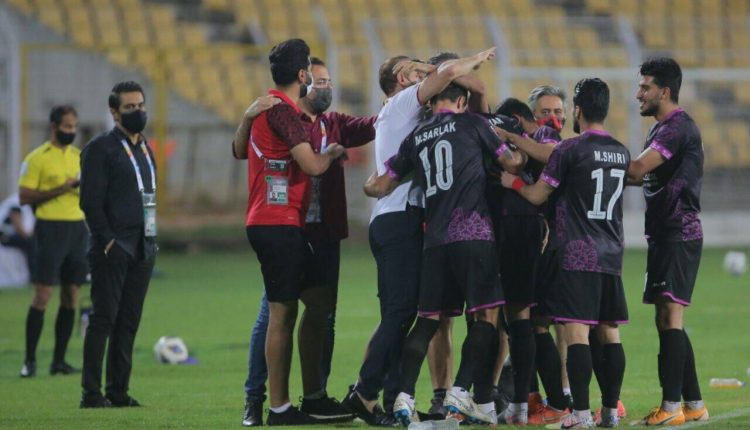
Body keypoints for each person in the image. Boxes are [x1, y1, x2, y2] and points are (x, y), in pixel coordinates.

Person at [341, 47, 497, 427]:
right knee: (400, 314)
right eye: (412, 71)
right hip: (399, 219)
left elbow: (470, 90)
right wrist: (466, 60)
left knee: (406, 314)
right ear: (400, 80)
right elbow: (448, 76)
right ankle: (364, 393)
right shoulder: (400, 105)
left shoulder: (417, 121)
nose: (422, 77)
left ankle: (393, 398)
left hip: (401, 219)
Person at [364, 82, 524, 426]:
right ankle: (460, 390)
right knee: (486, 316)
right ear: (462, 101)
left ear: (433, 101)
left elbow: (380, 185)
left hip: (434, 240)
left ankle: (405, 396)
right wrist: (520, 152)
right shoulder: (474, 123)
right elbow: (510, 164)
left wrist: (368, 183)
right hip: (473, 233)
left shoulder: (417, 135)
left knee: (428, 321)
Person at [233, 57, 375, 427]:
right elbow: (301, 163)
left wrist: (404, 103)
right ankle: (258, 399)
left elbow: (371, 125)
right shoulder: (280, 114)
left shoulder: (332, 123)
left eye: (328, 81)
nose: (324, 86)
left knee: (321, 311)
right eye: (318, 80)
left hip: (320, 231)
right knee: (274, 315)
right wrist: (329, 154)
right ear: (303, 79)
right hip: (285, 226)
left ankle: (315, 397)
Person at [501, 78, 629, 428]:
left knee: (576, 334)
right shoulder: (621, 151)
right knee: (610, 332)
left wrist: (513, 182)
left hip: (577, 252)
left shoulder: (570, 149)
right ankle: (610, 412)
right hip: (612, 252)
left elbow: (536, 195)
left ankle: (581, 414)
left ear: (578, 110)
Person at [628, 57, 708, 426]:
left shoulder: (676, 127)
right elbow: (637, 176)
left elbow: (636, 169)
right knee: (666, 318)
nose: (638, 94)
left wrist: (591, 158)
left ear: (664, 91)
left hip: (679, 231)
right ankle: (694, 404)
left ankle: (671, 407)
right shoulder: (661, 129)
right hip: (664, 233)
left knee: (671, 316)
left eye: (644, 87)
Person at [79, 81, 157, 408]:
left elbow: (148, 196)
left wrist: (151, 239)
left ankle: (118, 391)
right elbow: (89, 202)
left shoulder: (145, 147)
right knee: (104, 319)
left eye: (140, 105)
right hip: (113, 247)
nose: (137, 112)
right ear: (114, 112)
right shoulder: (100, 149)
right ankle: (91, 393)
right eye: (129, 107)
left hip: (143, 246)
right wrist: (108, 240)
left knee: (128, 321)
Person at [494, 98, 568, 425]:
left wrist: (509, 140)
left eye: (557, 112)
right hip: (542, 234)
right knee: (536, 324)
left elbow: (549, 155)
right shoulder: (528, 141)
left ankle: (522, 405)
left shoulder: (540, 136)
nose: (551, 119)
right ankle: (550, 401)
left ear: (513, 119)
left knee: (519, 318)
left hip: (534, 233)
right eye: (545, 113)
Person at [17, 105, 86, 378]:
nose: (71, 131)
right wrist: (62, 189)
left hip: (77, 229)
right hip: (50, 229)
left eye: (74, 127)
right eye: (67, 126)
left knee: (71, 295)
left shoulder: (79, 157)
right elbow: (24, 196)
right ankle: (29, 361)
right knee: (43, 295)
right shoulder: (36, 159)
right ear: (54, 127)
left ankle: (59, 361)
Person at [0, 194, 36, 280]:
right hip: (5, 236)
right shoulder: (17, 200)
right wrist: (30, 237)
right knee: (32, 244)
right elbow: (17, 225)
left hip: (14, 235)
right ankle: (34, 277)